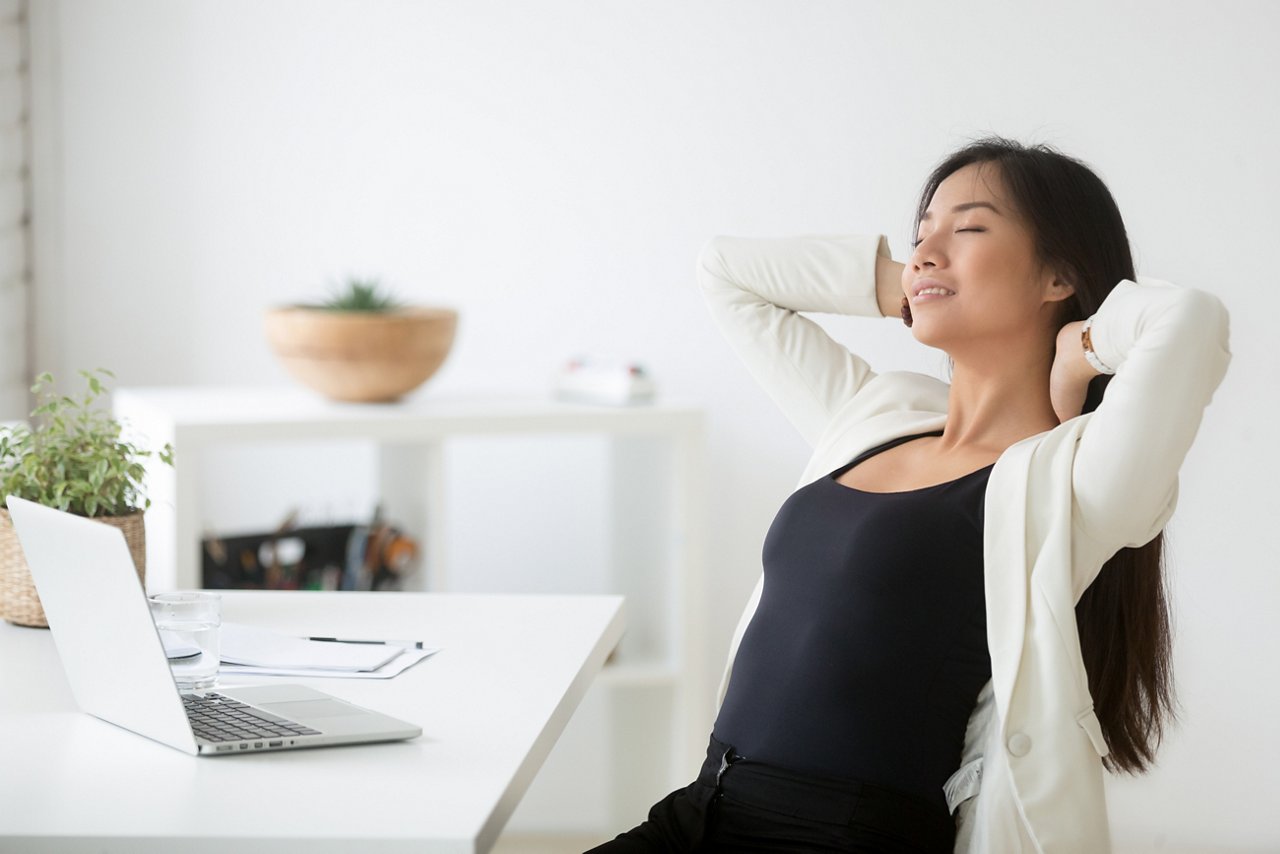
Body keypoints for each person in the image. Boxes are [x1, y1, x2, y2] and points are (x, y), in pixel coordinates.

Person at [587, 136, 1232, 853]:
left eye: (971, 227)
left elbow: (1191, 320)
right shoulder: (876, 412)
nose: (927, 248)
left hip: (844, 836)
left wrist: (1080, 350)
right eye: (924, 229)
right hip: (702, 810)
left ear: (1058, 275)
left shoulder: (1073, 482)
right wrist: (907, 277)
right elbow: (726, 273)